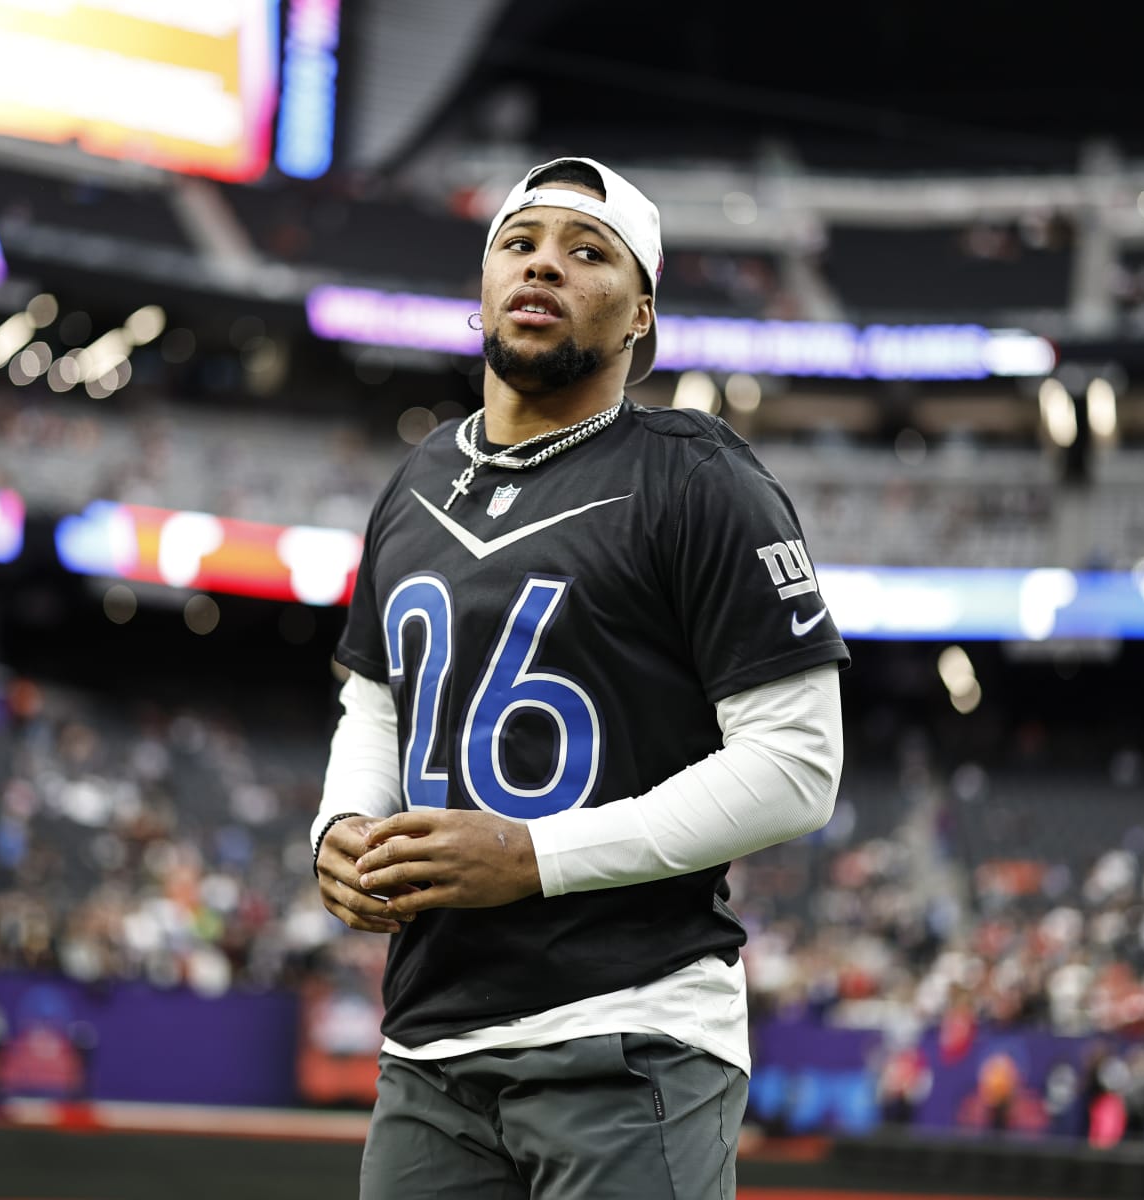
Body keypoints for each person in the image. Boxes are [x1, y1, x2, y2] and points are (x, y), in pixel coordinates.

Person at [312, 156, 848, 1198]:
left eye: (586, 251)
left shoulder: (698, 478)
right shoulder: (416, 481)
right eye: (520, 244)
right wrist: (337, 827)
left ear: (640, 314)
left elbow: (796, 764)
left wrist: (533, 855)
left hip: (627, 1027)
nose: (544, 266)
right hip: (430, 1041)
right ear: (482, 290)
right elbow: (375, 699)